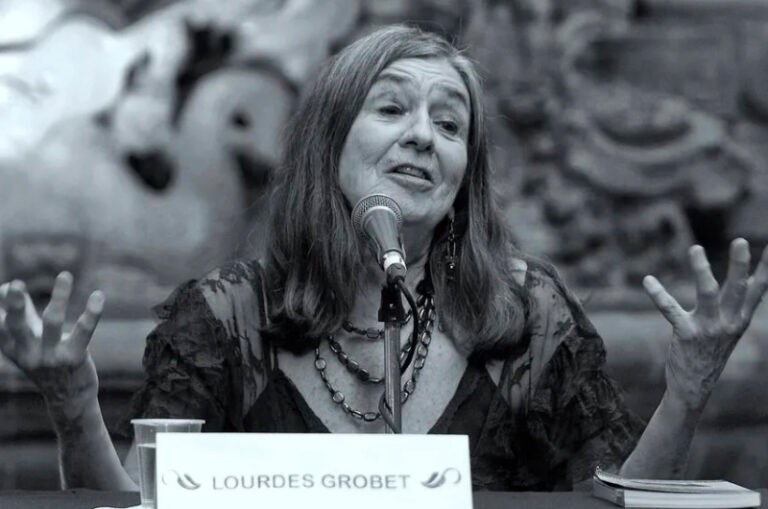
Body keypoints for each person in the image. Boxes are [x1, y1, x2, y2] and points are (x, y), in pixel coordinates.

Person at [1, 24, 767, 492]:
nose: (423, 136)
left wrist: (687, 388)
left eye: (450, 124)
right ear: (328, 144)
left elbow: (619, 500)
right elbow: (136, 502)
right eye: (393, 107)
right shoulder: (227, 318)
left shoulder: (527, 317)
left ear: (464, 175)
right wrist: (72, 404)